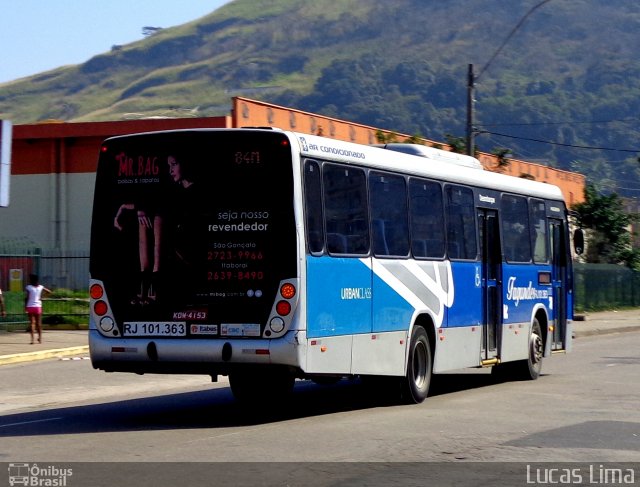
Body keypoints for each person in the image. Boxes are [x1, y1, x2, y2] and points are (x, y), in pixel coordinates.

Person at [25, 274, 52, 344]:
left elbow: (27, 298)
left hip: (30, 306)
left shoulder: (29, 287)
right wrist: (42, 297)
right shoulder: (40, 287)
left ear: (31, 280)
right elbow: (49, 292)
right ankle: (40, 339)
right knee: (39, 324)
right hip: (38, 306)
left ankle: (32, 340)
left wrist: (25, 307)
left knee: (32, 323)